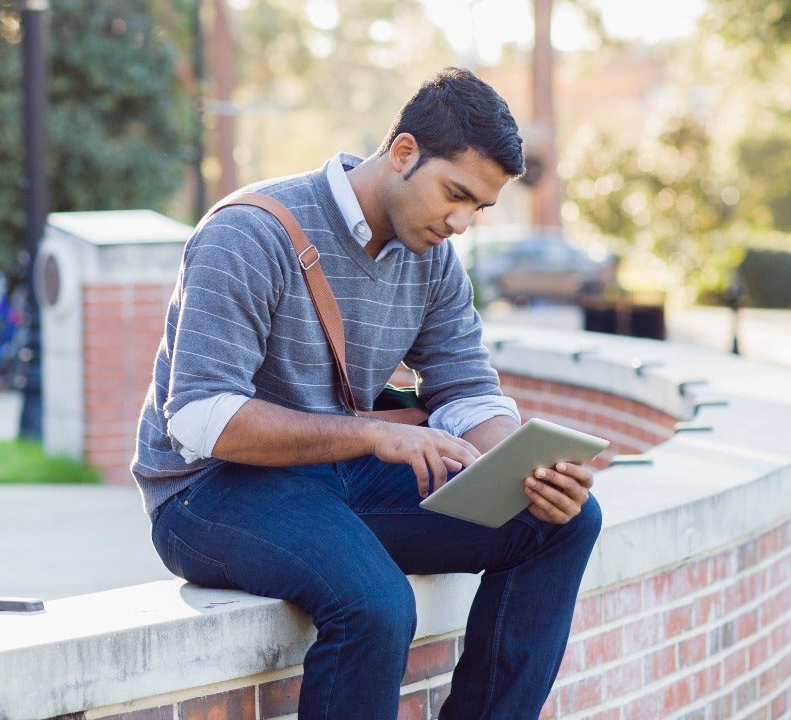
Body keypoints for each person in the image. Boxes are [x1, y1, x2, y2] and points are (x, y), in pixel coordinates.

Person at [130, 67, 601, 720]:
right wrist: (374, 433)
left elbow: (465, 389)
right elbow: (201, 418)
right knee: (376, 605)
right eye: (455, 193)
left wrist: (522, 466)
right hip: (208, 490)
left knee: (562, 519)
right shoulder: (249, 232)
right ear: (404, 152)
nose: (462, 221)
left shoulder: (432, 258)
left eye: (480, 208)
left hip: (336, 477)